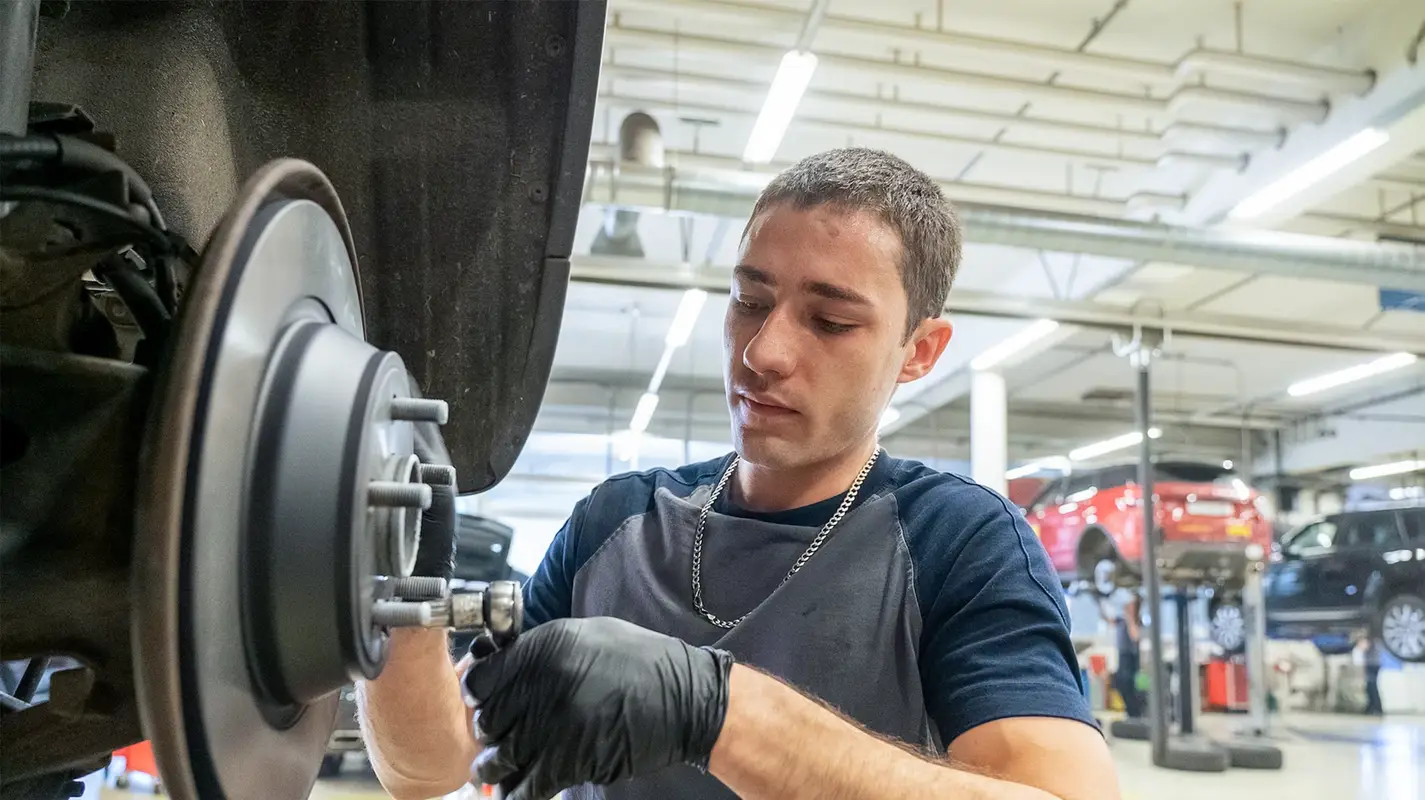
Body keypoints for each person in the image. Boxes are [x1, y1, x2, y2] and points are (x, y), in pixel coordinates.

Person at [358, 148, 1119, 800]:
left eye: (829, 321)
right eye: (748, 301)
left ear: (919, 350)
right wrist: (399, 601)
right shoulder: (616, 523)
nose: (762, 353)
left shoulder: (959, 540)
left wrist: (717, 713)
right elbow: (429, 767)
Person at [1107, 593, 1144, 719]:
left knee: (1130, 686)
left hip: (1131, 658)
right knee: (1118, 683)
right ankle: (1130, 712)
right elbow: (1108, 620)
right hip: (1122, 655)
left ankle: (1135, 714)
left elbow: (1135, 637)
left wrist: (1130, 618)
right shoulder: (1121, 620)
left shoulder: (1137, 621)